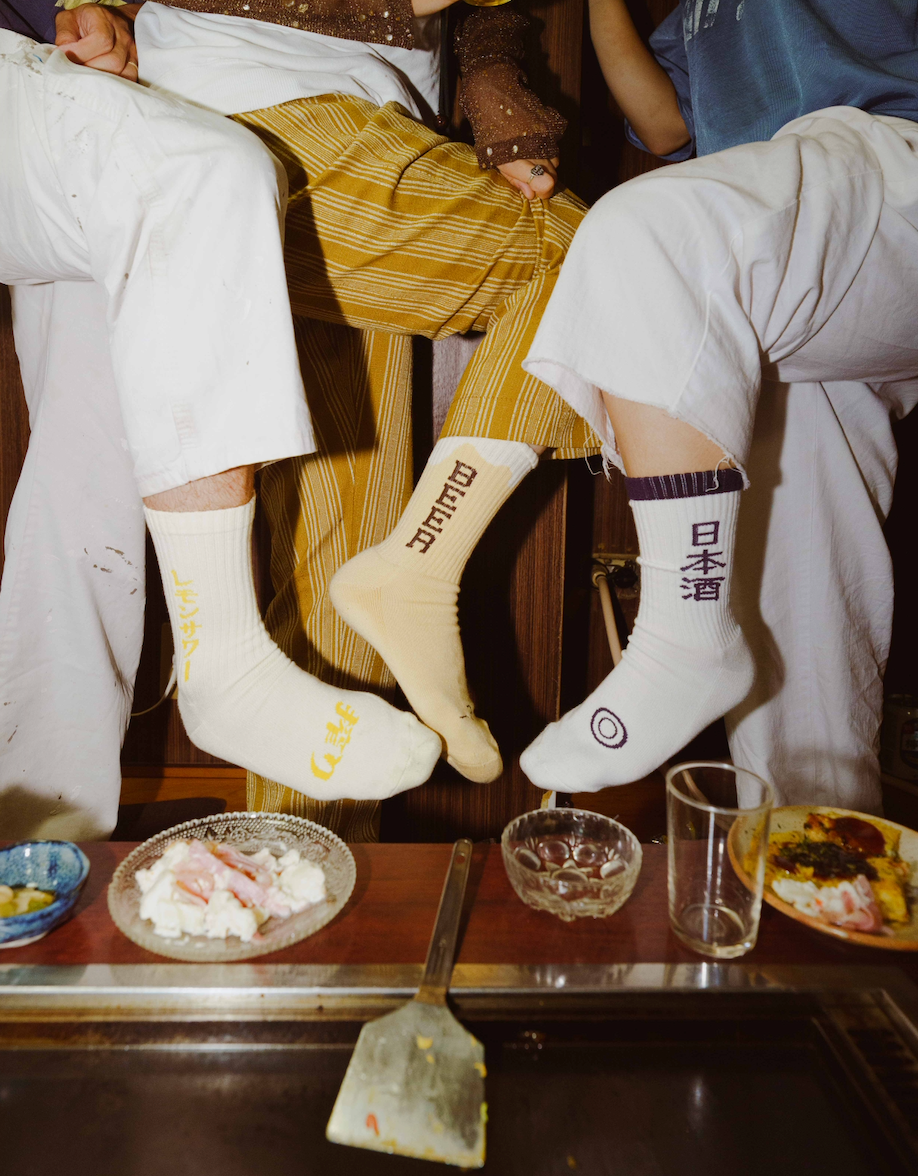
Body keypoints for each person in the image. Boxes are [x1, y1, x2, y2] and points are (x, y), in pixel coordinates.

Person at [0, 0, 601, 837]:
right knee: (600, 257)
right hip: (265, 104)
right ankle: (422, 571)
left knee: (338, 573)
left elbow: (479, 20)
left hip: (370, 117)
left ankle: (301, 887)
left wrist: (498, 90)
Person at [519, 0, 918, 811]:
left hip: (889, 159)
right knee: (796, 587)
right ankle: (811, 855)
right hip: (786, 223)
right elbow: (665, 125)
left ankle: (683, 639)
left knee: (648, 232)